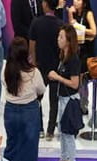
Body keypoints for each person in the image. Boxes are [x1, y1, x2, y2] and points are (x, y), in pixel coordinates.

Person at [2, 39, 47, 161]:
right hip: (29, 111)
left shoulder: (5, 70)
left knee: (12, 143)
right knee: (29, 145)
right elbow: (41, 90)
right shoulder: (33, 72)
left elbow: (4, 84)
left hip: (10, 111)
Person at [49, 24, 83, 161]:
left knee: (68, 133)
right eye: (58, 36)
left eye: (61, 37)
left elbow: (75, 84)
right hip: (63, 98)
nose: (58, 39)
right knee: (62, 131)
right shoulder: (63, 56)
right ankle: (64, 158)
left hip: (70, 100)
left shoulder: (73, 59)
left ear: (69, 41)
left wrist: (58, 77)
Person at [32, 0, 66, 138]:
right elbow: (63, 48)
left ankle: (39, 128)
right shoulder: (60, 25)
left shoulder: (36, 23)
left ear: (45, 5)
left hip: (40, 66)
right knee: (54, 100)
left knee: (37, 98)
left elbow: (32, 45)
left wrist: (33, 63)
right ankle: (50, 131)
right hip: (55, 67)